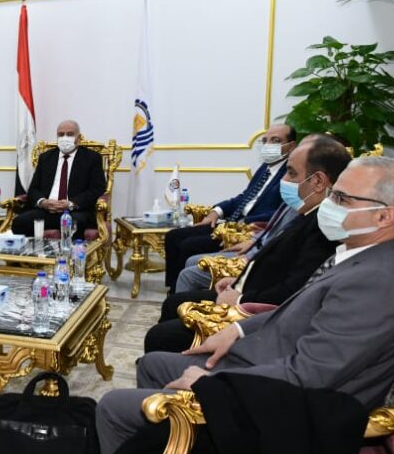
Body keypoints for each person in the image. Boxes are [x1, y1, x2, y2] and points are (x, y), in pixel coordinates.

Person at [71, 155, 394, 454]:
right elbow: (297, 310)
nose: (329, 203)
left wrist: (210, 385)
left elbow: (308, 377)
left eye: (342, 198)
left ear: (385, 215)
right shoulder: (371, 252)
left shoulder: (378, 283)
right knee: (155, 364)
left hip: (290, 417)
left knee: (113, 408)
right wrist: (238, 329)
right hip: (272, 369)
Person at [144, 135, 350, 352]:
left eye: (291, 173)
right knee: (173, 302)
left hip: (255, 312)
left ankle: (168, 367)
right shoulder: (307, 213)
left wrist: (241, 297)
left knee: (160, 336)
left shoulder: (322, 226)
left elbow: (293, 291)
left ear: (318, 181)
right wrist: (238, 280)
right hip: (246, 289)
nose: (284, 179)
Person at [163, 124, 297, 291]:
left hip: (245, 231)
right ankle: (174, 289)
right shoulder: (265, 168)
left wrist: (242, 224)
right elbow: (244, 197)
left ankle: (184, 289)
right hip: (230, 224)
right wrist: (216, 212)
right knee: (173, 236)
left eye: (275, 141)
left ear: (291, 146)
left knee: (189, 245)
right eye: (265, 141)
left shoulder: (289, 175)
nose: (268, 145)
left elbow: (280, 213)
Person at [10, 120, 106, 239]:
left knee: (75, 223)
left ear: (78, 137)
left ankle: (72, 251)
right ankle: (35, 250)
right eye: (61, 134)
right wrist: (43, 202)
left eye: (70, 134)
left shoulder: (92, 158)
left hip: (75, 211)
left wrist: (71, 203)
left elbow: (97, 189)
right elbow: (33, 189)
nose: (65, 138)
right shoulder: (46, 157)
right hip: (47, 210)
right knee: (19, 222)